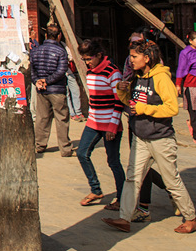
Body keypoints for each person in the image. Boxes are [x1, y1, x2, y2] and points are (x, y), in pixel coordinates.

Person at [102, 40, 196, 235]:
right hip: (141, 137)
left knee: (172, 180)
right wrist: (122, 90)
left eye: (134, 57)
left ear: (147, 58)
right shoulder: (138, 77)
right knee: (133, 179)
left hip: (161, 138)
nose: (130, 60)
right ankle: (124, 218)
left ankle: (191, 217)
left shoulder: (161, 78)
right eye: (130, 56)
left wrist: (144, 109)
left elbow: (172, 108)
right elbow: (131, 102)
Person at [76, 38, 125, 206]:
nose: (87, 62)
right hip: (93, 122)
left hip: (111, 124)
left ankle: (122, 197)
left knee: (113, 161)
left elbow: (119, 102)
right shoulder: (90, 73)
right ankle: (95, 190)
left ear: (99, 55)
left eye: (89, 59)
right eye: (85, 59)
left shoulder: (113, 72)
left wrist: (113, 126)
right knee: (82, 153)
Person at [30, 23, 73, 156]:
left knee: (42, 118)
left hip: (41, 89)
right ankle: (65, 148)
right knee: (61, 118)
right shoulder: (61, 51)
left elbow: (31, 69)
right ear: (59, 36)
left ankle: (39, 145)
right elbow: (61, 71)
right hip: (57, 89)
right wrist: (47, 81)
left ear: (46, 35)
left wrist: (38, 81)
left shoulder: (36, 50)